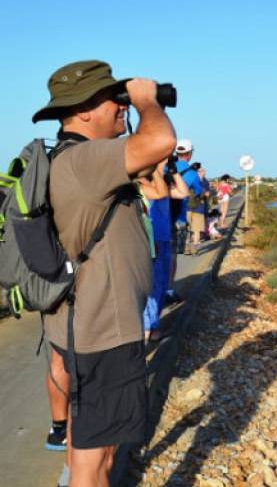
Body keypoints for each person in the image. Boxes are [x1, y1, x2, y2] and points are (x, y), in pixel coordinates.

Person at [33, 60, 176, 487]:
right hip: (104, 331)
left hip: (82, 324)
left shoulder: (66, 158)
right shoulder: (87, 159)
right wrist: (147, 102)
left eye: (122, 97)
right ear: (82, 111)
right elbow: (161, 139)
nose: (121, 105)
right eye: (112, 99)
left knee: (87, 439)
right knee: (100, 459)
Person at [138, 158, 188, 342]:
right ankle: (146, 330)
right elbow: (158, 194)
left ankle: (154, 327)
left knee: (161, 285)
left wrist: (173, 170)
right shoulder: (144, 183)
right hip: (152, 241)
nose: (166, 161)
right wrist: (157, 168)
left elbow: (183, 192)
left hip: (165, 238)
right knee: (150, 287)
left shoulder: (163, 183)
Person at [173, 140, 205, 255]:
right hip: (180, 215)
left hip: (160, 213)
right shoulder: (193, 174)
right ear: (189, 153)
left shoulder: (166, 167)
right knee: (173, 256)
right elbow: (198, 192)